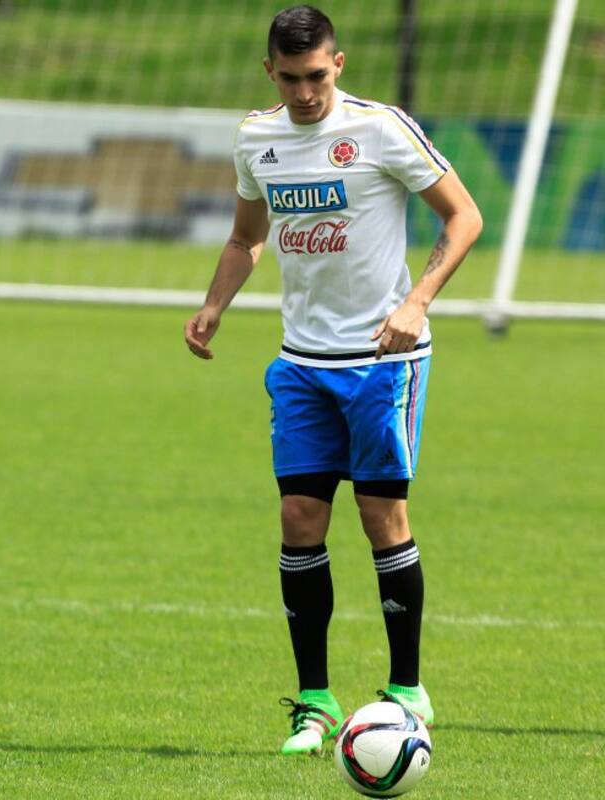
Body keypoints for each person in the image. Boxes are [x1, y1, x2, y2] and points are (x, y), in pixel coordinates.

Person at [183, 5, 482, 756]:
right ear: (269, 72)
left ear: (338, 65)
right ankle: (313, 704)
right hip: (302, 364)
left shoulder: (383, 129)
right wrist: (213, 306)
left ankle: (408, 690)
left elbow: (465, 217)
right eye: (290, 79)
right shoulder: (258, 138)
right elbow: (247, 237)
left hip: (383, 360)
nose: (305, 92)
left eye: (316, 76)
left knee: (381, 520)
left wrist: (417, 303)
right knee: (298, 521)